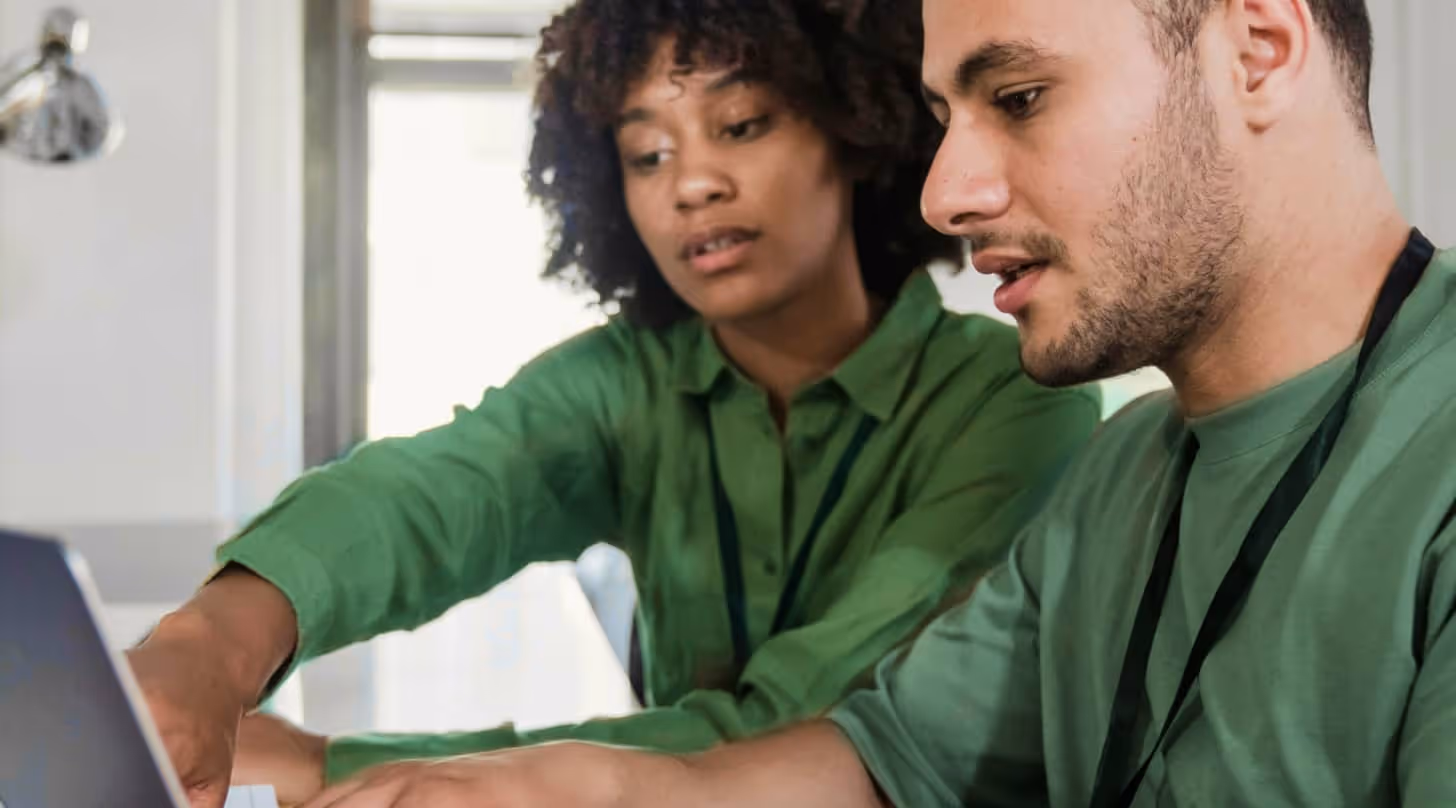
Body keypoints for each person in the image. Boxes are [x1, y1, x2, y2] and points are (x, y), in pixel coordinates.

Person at [272, 0, 1456, 805]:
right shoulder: (1124, 473)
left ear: (1256, 49)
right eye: (946, 120)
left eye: (1023, 95)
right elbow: (880, 760)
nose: (948, 190)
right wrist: (597, 785)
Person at [126, 0, 1101, 806]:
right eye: (646, 154)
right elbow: (433, 494)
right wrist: (207, 644)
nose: (692, 184)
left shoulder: (1015, 401)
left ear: (853, 129)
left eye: (742, 124)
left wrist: (326, 766)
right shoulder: (626, 380)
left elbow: (817, 725)